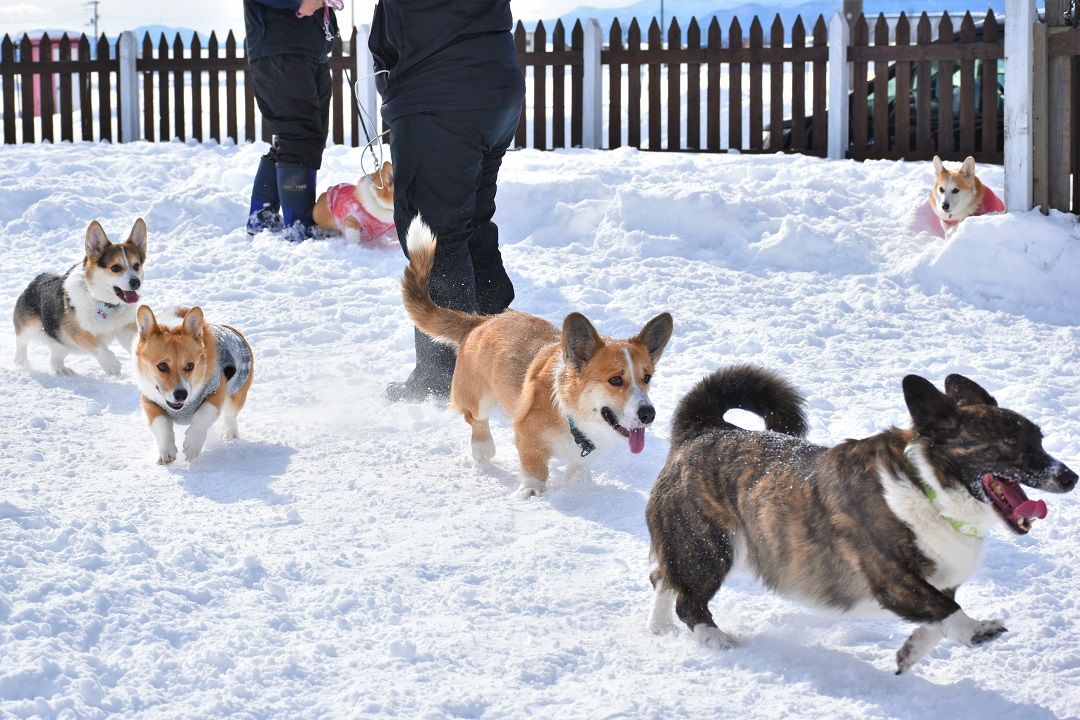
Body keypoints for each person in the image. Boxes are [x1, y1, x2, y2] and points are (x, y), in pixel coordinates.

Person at [369, 0, 526, 403]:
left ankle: (445, 375)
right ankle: (501, 352)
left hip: (439, 94)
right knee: (471, 224)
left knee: (436, 237)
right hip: (494, 87)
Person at [244, 0, 337, 240]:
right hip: (280, 47)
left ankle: (262, 218)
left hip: (311, 48)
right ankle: (298, 226)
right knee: (298, 135)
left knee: (310, 136)